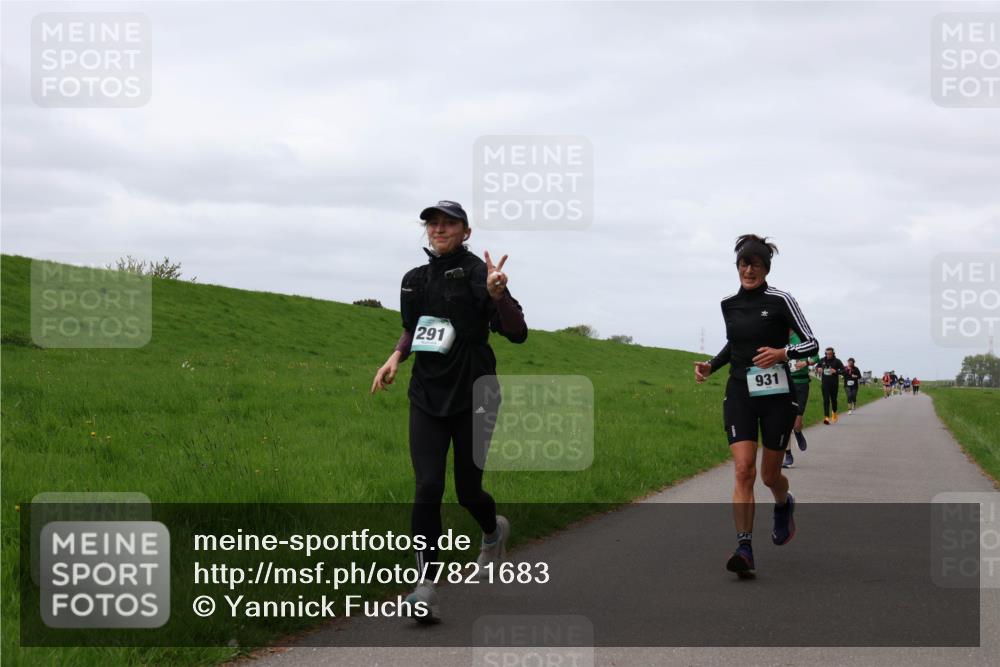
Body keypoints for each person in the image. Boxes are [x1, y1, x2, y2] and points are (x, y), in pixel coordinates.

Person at [371, 200, 527, 622]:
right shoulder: (414, 280)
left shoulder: (481, 273)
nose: (439, 229)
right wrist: (395, 357)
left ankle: (493, 531)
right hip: (427, 392)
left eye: (449, 223)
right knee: (427, 487)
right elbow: (413, 328)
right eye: (433, 224)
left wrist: (498, 295)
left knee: (467, 490)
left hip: (476, 393)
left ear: (466, 231)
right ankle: (424, 586)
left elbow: (516, 332)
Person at [694, 234, 818, 578]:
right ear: (737, 267)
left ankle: (783, 504)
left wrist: (783, 353)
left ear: (766, 267)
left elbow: (811, 343)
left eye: (756, 264)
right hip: (740, 393)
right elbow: (733, 344)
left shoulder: (782, 300)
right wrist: (710, 366)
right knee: (744, 469)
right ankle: (744, 547)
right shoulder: (728, 304)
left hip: (777, 396)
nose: (749, 270)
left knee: (769, 475)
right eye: (743, 264)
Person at [784, 329, 819, 468]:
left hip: (801, 384)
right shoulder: (777, 338)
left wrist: (806, 363)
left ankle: (797, 431)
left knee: (796, 422)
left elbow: (816, 357)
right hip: (785, 383)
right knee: (785, 421)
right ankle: (788, 455)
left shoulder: (802, 339)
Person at [815, 348, 845, 424]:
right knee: (826, 400)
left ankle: (834, 413)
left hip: (834, 384)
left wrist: (836, 371)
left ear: (833, 354)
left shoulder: (837, 361)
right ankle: (826, 417)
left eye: (830, 354)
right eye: (827, 354)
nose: (828, 355)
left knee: (834, 400)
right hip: (825, 384)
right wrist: (818, 369)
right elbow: (816, 367)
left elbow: (843, 370)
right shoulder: (822, 360)